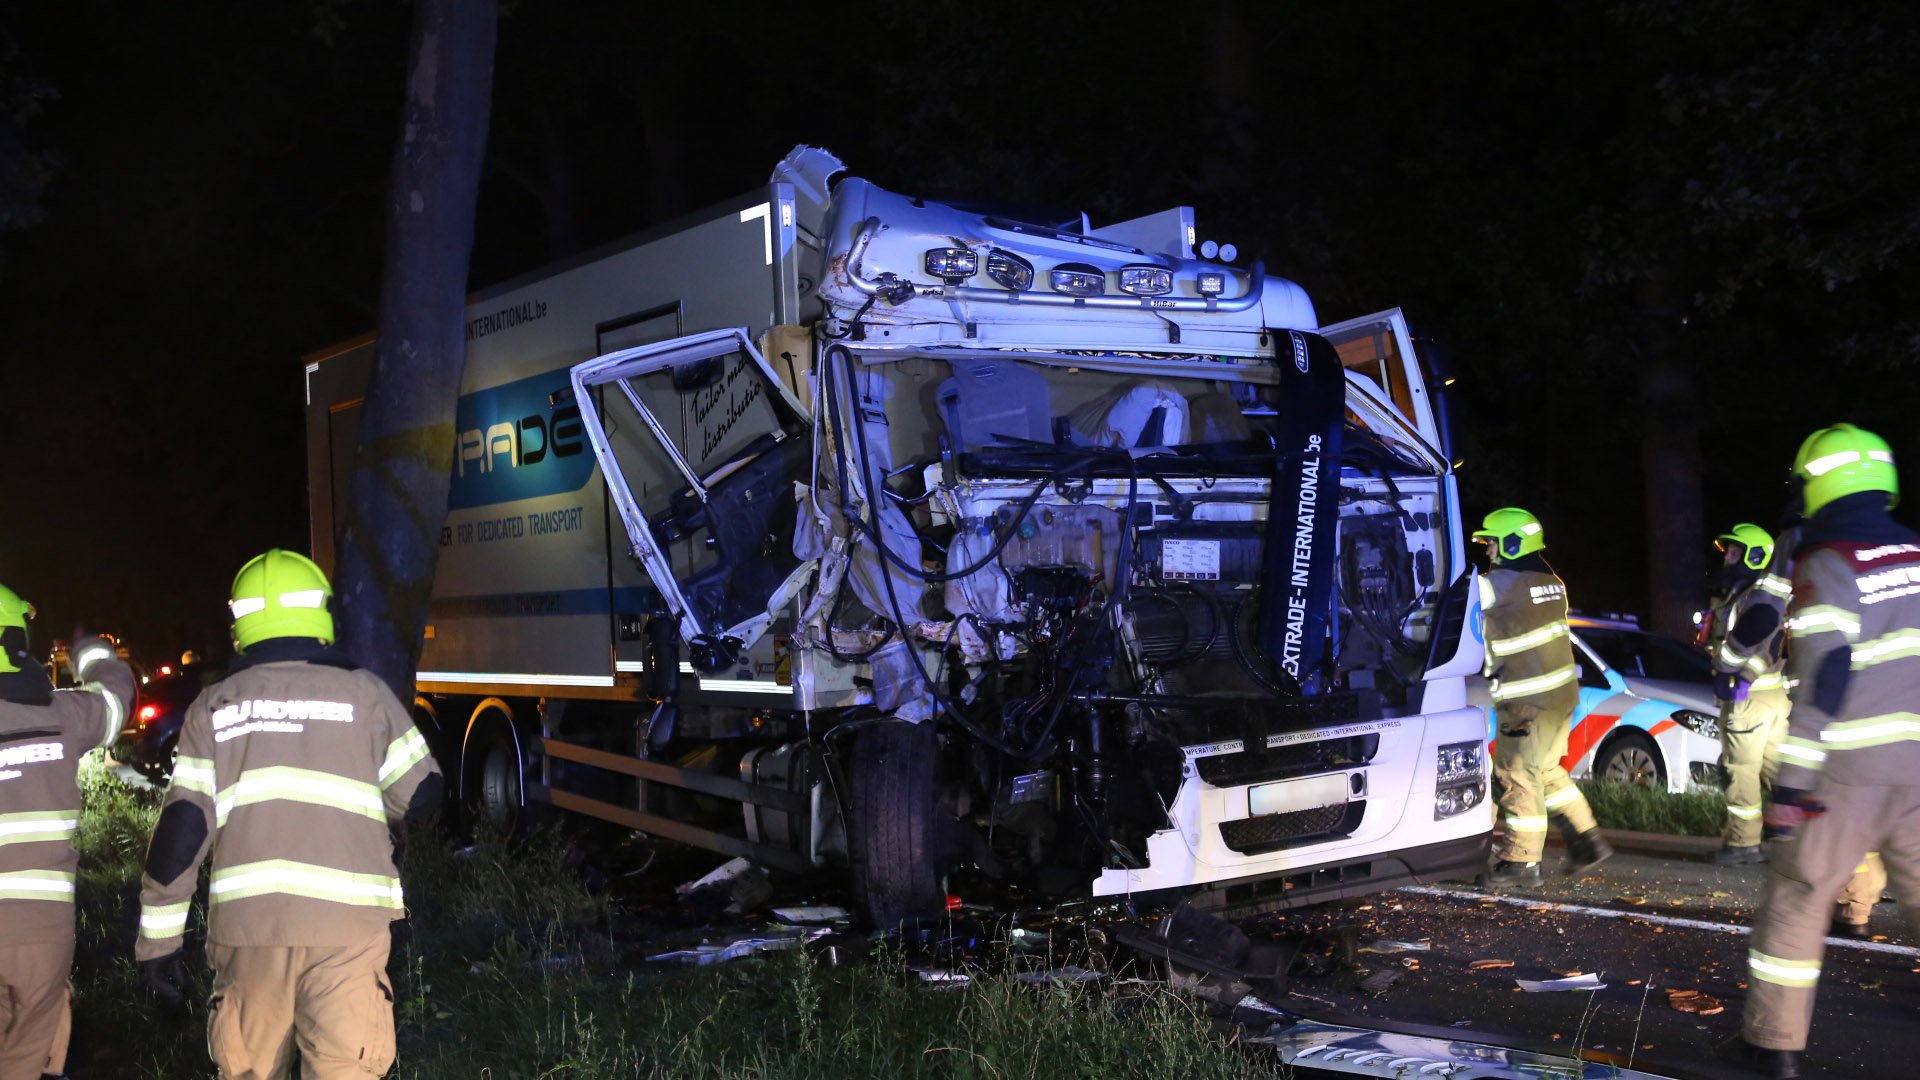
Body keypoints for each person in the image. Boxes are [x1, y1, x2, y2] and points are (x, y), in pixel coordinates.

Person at [134, 550, 441, 1079]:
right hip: (347, 929)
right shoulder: (365, 694)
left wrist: (158, 944)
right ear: (321, 611)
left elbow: (182, 831)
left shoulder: (213, 707)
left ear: (239, 622)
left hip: (248, 934)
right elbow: (422, 794)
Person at [1728, 424, 1920, 1078]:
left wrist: (1790, 790)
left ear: (1819, 485)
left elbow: (1825, 679)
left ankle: (1773, 1045)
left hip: (1848, 771)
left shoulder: (1829, 562)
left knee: (1799, 897)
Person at [0, 584, 135, 1080]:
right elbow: (118, 697)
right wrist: (91, 652)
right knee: (29, 1054)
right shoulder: (64, 714)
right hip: (40, 929)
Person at [1474, 507, 1613, 883]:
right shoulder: (1552, 581)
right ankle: (1587, 840)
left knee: (1516, 771)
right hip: (1560, 695)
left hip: (1527, 700)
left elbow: (1459, 599)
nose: (1488, 551)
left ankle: (1521, 860)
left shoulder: (1500, 583)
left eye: (1492, 543)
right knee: (1545, 771)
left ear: (1513, 543)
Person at [1703, 523, 1793, 866]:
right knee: (1779, 771)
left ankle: (1743, 843)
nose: (1728, 558)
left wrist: (1732, 674)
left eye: (1735, 552)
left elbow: (1762, 642)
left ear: (1755, 557)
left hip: (1747, 699)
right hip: (1773, 698)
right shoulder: (1751, 593)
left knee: (1740, 770)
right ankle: (1797, 838)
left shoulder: (1754, 597)